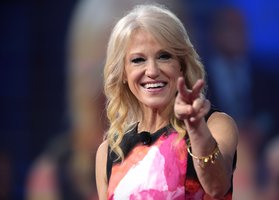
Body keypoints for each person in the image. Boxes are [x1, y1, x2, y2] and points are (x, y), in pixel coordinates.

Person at [96, 4, 238, 200]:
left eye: (164, 56)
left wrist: (196, 129)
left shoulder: (216, 125)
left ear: (181, 65)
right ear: (123, 73)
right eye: (138, 60)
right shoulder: (109, 152)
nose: (152, 71)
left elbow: (217, 187)